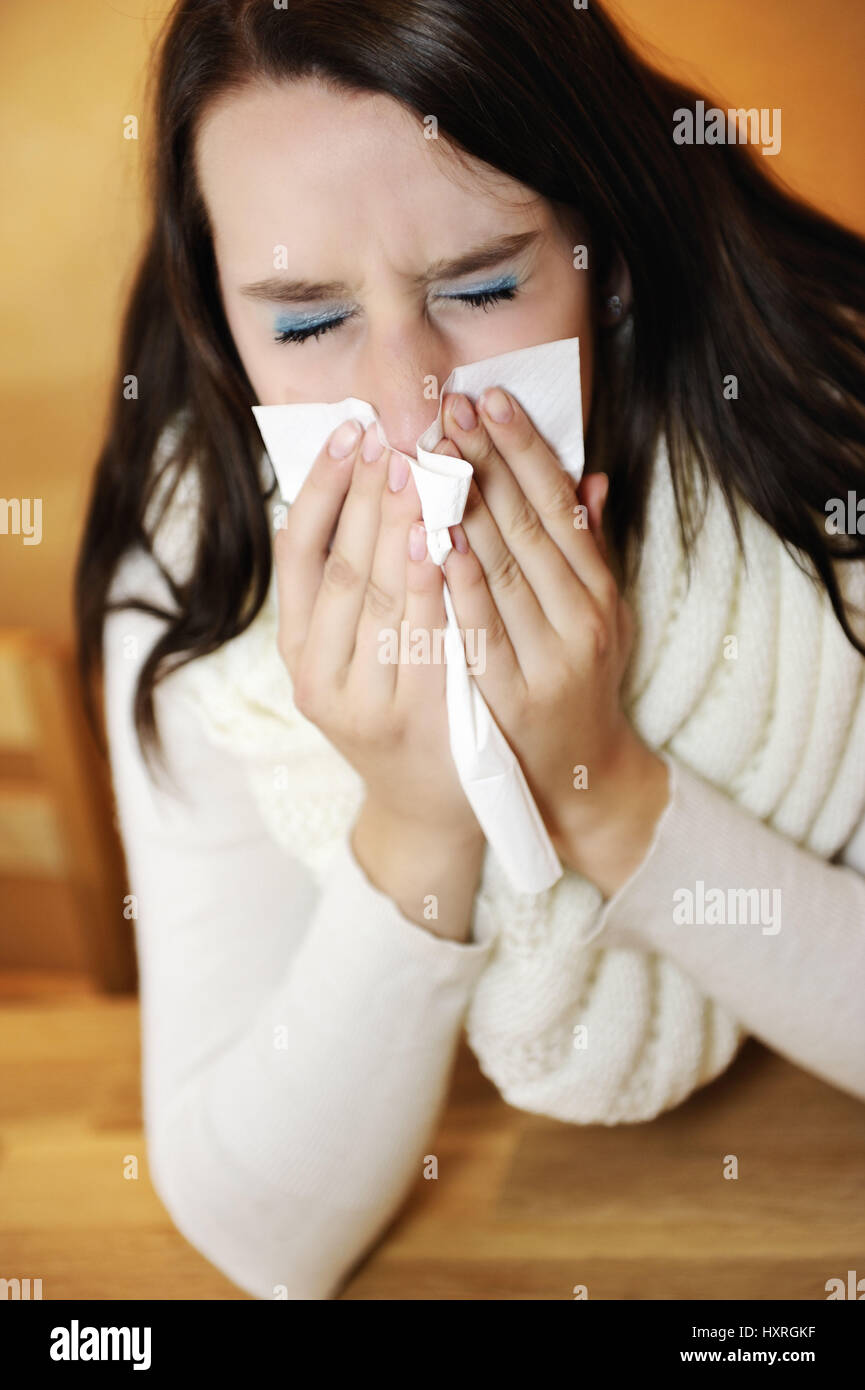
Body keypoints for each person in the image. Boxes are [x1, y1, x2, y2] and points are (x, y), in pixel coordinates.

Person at [75, 0, 865, 1300]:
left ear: (601, 261)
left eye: (484, 286)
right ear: (220, 324)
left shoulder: (817, 445)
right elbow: (264, 1235)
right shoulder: (199, 555)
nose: (407, 400)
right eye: (306, 320)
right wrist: (415, 823)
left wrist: (604, 787)